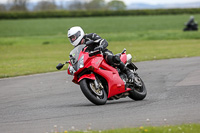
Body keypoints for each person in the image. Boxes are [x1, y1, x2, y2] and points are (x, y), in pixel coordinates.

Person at [67, 26, 135, 82]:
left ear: (79, 34)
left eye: (73, 37)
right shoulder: (77, 48)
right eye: (71, 38)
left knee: (110, 58)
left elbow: (103, 41)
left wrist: (101, 46)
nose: (72, 40)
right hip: (92, 61)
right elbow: (77, 57)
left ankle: (128, 71)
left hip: (101, 54)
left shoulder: (90, 36)